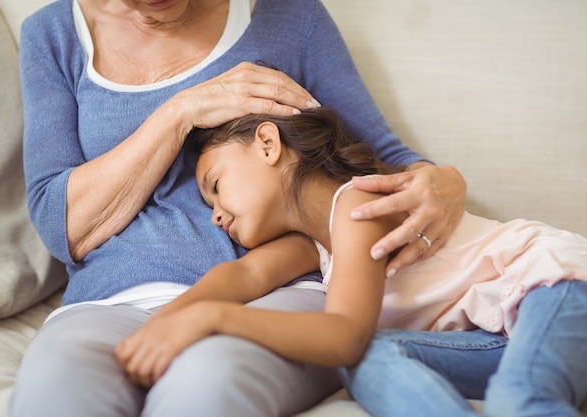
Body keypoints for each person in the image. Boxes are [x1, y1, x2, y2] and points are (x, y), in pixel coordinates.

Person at [10, 0, 466, 416]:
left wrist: (447, 181)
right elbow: (61, 225)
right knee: (54, 391)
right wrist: (180, 112)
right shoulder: (52, 36)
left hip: (275, 293)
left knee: (207, 384)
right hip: (107, 303)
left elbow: (376, 156)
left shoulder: (290, 16)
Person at [115, 107, 587, 417]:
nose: (216, 214)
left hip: (553, 286)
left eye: (215, 185)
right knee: (373, 358)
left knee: (519, 397)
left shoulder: (362, 203)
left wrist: (211, 319)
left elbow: (343, 335)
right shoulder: (318, 244)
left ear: (267, 144)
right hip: (499, 332)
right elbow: (241, 274)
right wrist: (156, 329)